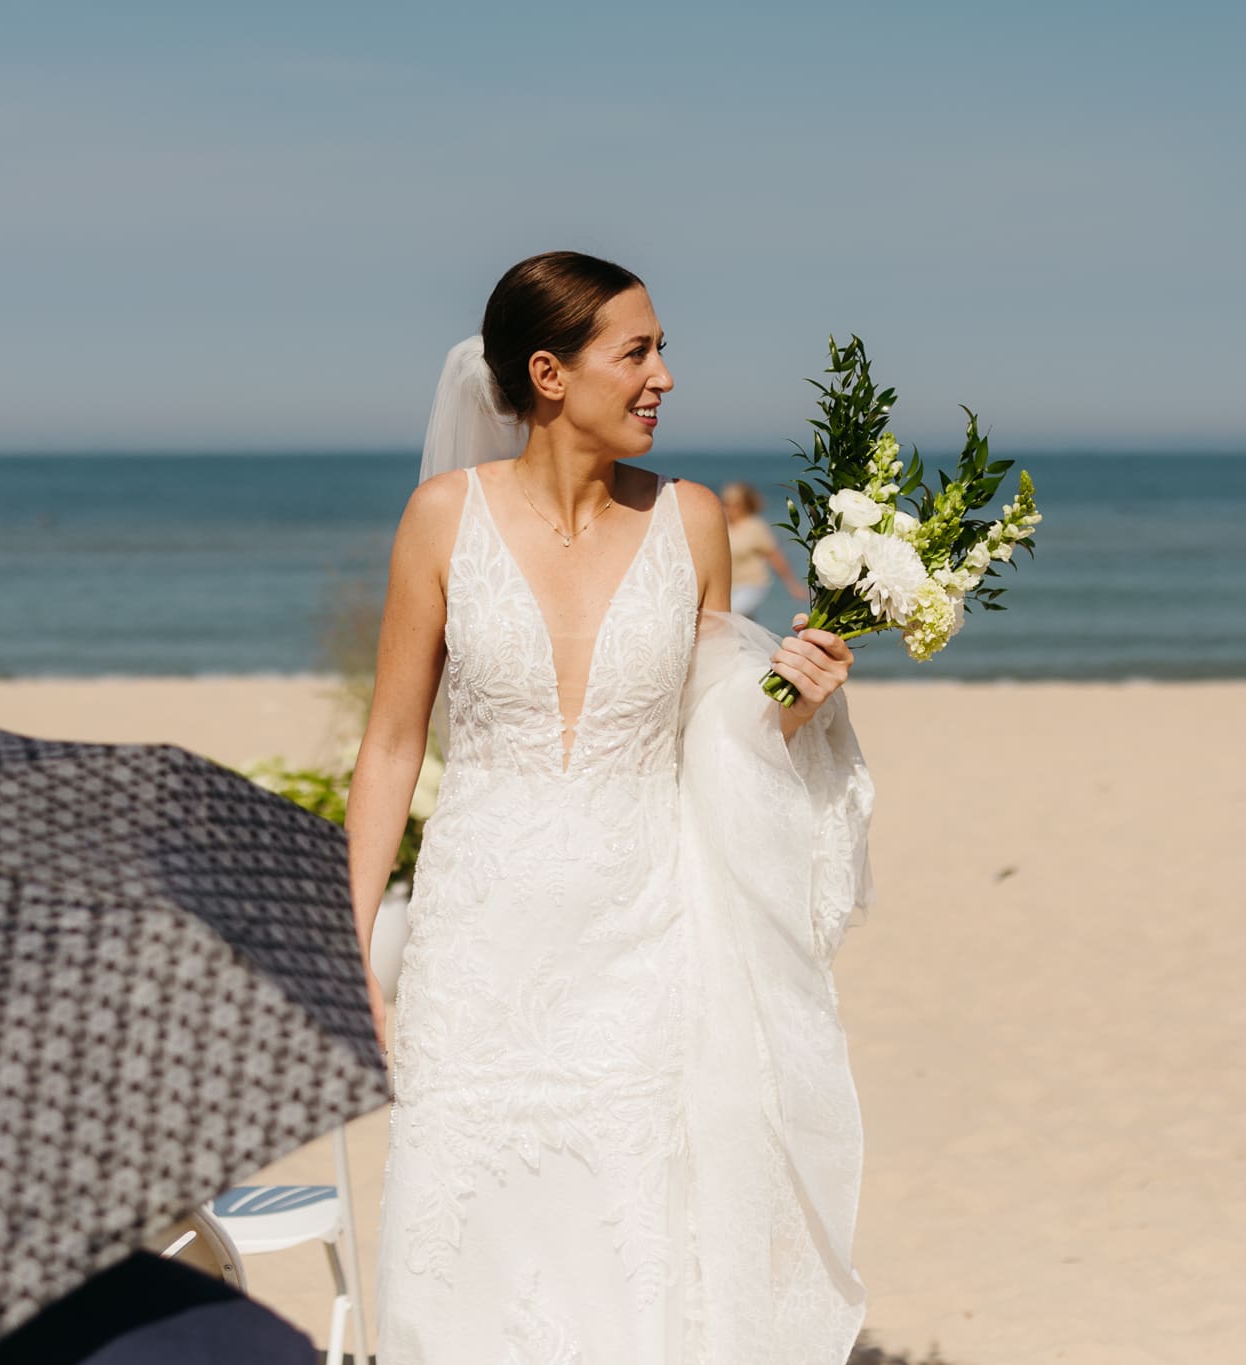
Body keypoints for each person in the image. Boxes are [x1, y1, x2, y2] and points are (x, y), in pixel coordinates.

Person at [346, 251, 875, 1363]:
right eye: (635, 351)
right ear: (548, 372)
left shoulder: (688, 522)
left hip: (642, 945)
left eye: (660, 350)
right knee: (464, 1253)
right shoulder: (440, 520)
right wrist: (351, 955)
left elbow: (713, 743)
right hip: (476, 952)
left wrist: (793, 703)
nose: (663, 378)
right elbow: (392, 745)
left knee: (630, 1253)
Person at [720, 479, 809, 618]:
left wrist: (793, 585)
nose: (728, 508)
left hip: (752, 584)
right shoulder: (721, 525)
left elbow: (775, 557)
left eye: (733, 504)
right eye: (725, 502)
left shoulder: (756, 527)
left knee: (730, 616)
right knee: (743, 627)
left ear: (744, 505)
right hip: (727, 586)